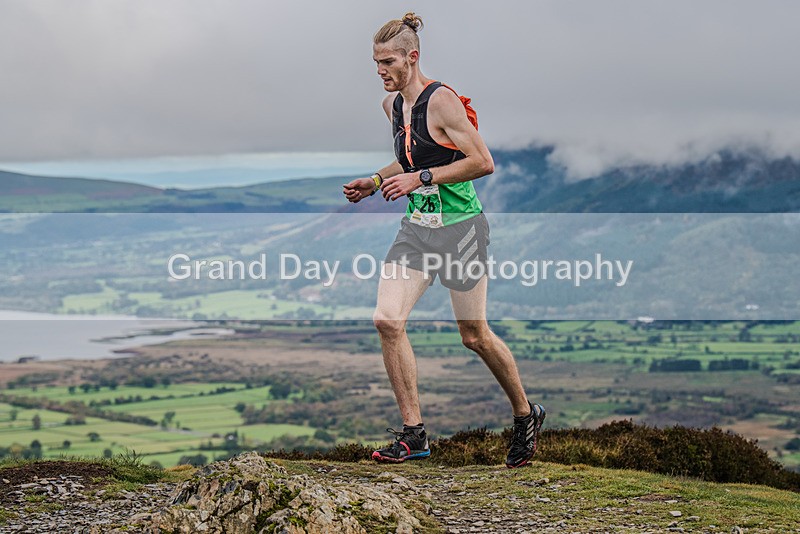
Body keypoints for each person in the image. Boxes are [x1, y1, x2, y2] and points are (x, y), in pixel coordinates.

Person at [342, 12, 545, 468]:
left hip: (462, 229)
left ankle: (525, 415)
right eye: (375, 62)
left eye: (388, 62)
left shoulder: (443, 101)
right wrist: (376, 180)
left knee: (473, 335)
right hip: (417, 230)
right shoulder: (391, 106)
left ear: (412, 58)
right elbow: (411, 157)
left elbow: (482, 161)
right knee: (387, 320)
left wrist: (422, 178)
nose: (380, 71)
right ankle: (413, 435)